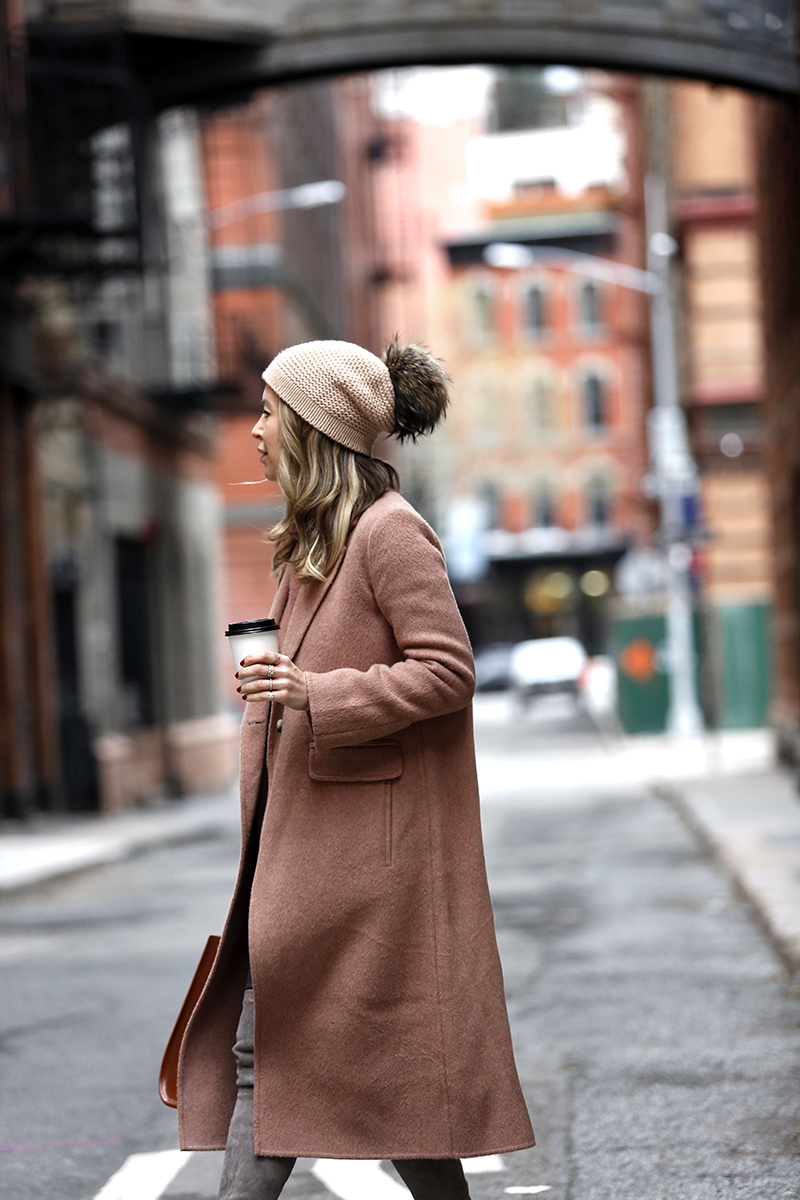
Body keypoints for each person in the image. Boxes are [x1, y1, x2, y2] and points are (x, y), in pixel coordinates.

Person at [176, 339, 535, 1199]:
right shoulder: (311, 544)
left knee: (319, 1078)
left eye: (268, 412)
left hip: (367, 873)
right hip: (310, 861)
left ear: (311, 428)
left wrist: (314, 691)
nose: (255, 429)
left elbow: (448, 670)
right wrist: (279, 687)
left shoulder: (389, 533)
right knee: (317, 1082)